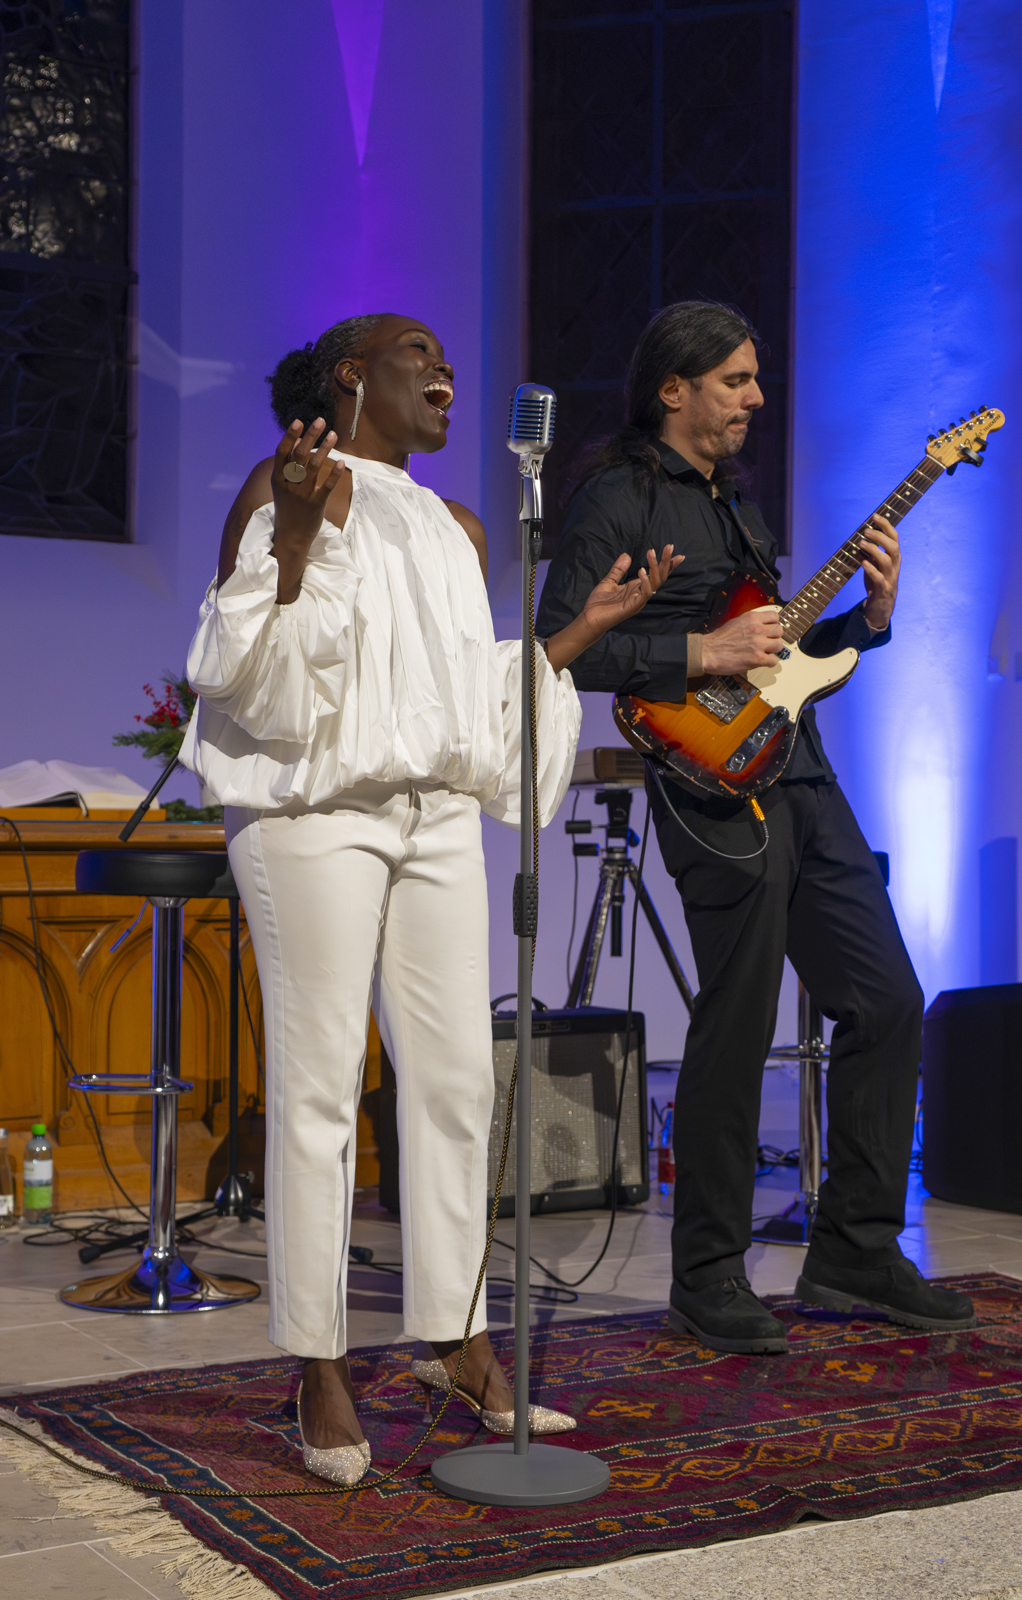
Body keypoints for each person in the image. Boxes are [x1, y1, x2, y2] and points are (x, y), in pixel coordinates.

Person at [183, 312, 680, 1484]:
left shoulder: (460, 525)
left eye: (446, 354)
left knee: (458, 1080)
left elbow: (455, 695)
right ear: (353, 376)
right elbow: (241, 668)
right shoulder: (289, 482)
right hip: (315, 814)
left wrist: (573, 637)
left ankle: (455, 1335)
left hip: (438, 817)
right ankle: (318, 1361)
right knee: (318, 1086)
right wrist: (291, 532)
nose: (445, 366)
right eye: (418, 352)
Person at [536, 301, 977, 1355]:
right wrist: (700, 652)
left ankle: (856, 1252)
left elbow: (780, 665)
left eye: (755, 379)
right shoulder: (616, 498)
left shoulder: (738, 504)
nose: (756, 399)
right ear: (672, 389)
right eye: (734, 380)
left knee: (888, 999)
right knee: (738, 1023)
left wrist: (868, 622)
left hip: (803, 774)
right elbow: (562, 646)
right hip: (710, 791)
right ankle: (707, 1277)